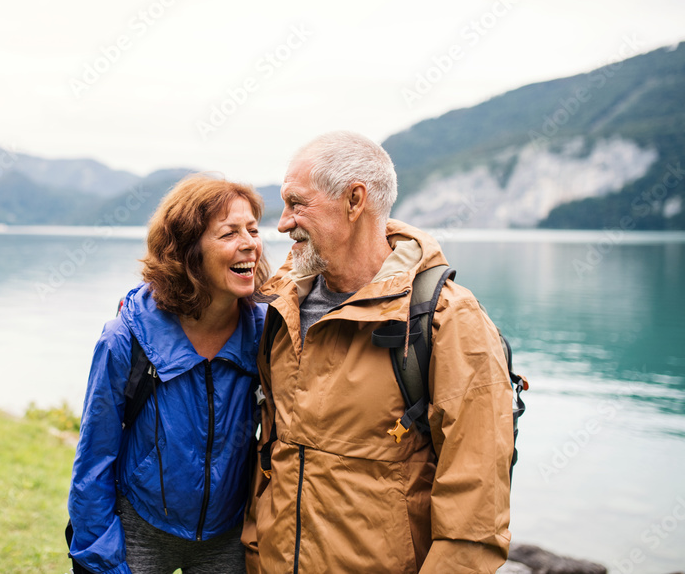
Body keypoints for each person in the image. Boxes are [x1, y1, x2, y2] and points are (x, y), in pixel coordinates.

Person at [243, 131, 513, 573]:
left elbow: (475, 520)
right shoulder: (281, 308)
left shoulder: (448, 319)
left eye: (297, 203)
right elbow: (271, 457)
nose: (282, 223)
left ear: (354, 201)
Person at [68, 174, 272, 574]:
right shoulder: (125, 339)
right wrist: (101, 560)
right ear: (187, 250)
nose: (249, 243)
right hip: (140, 529)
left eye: (253, 229)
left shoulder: (266, 332)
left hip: (227, 536)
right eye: (229, 233)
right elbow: (94, 459)